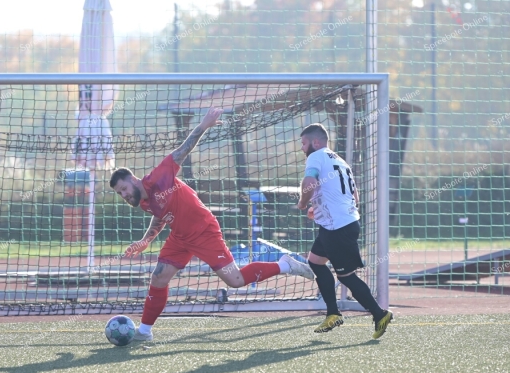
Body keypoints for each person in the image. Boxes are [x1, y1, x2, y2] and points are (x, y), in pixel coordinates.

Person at [110, 107, 314, 342]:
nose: (124, 195)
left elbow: (182, 151)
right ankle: (144, 332)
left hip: (204, 232)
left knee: (235, 281)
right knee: (158, 278)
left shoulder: (159, 178)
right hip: (180, 238)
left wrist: (203, 126)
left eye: (124, 189)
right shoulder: (144, 201)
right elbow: (160, 215)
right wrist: (146, 240)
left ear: (134, 180)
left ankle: (285, 264)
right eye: (119, 193)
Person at [296, 123, 393, 339]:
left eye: (303, 143)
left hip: (337, 228)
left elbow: (309, 182)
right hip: (336, 224)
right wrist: (320, 208)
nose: (302, 148)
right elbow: (355, 196)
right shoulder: (339, 160)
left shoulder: (316, 156)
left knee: (346, 276)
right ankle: (333, 313)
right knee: (315, 262)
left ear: (316, 142)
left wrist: (303, 203)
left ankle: (379, 314)